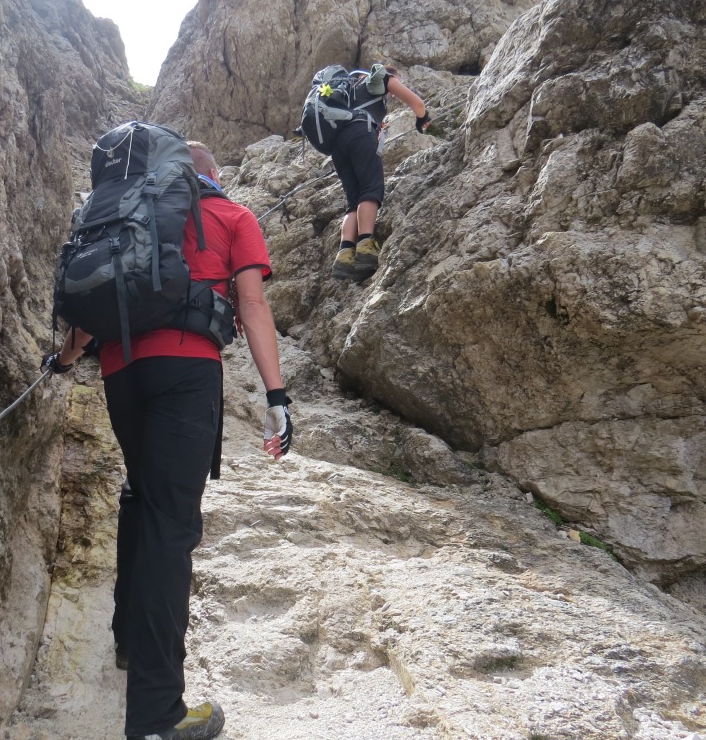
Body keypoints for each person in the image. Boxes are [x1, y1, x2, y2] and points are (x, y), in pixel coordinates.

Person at [41, 140, 293, 740]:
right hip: (186, 371)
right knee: (170, 527)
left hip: (121, 373)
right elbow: (252, 304)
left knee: (142, 495)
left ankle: (130, 640)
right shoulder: (232, 215)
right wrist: (277, 396)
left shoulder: (130, 215)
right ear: (210, 173)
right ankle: (158, 717)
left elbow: (101, 304)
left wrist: (64, 359)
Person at [328, 64, 433, 282]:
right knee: (371, 189)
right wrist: (422, 118)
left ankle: (345, 254)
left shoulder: (352, 90)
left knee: (353, 200)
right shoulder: (381, 77)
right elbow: (417, 103)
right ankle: (366, 246)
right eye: (399, 80)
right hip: (361, 133)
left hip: (337, 146)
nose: (394, 90)